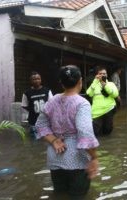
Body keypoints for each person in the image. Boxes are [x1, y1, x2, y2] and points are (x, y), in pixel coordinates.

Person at [35, 65, 99, 197]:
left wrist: (54, 140)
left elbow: (40, 125)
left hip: (55, 157)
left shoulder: (52, 101)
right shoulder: (82, 103)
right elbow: (85, 134)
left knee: (60, 195)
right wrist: (94, 157)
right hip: (77, 160)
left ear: (61, 83)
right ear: (80, 81)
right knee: (78, 196)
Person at [86, 66, 119, 136]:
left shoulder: (111, 84)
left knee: (107, 131)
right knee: (95, 133)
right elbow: (89, 94)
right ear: (97, 75)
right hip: (96, 113)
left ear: (107, 75)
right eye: (100, 73)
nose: (103, 75)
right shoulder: (94, 85)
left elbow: (115, 94)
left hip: (109, 109)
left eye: (104, 74)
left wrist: (105, 86)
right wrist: (95, 81)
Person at [21, 71, 53, 138]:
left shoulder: (47, 91)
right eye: (34, 79)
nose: (36, 81)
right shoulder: (27, 93)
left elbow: (52, 103)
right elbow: (24, 105)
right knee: (34, 140)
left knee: (46, 140)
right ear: (31, 81)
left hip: (46, 121)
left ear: (41, 79)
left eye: (38, 79)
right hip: (33, 121)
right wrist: (33, 110)